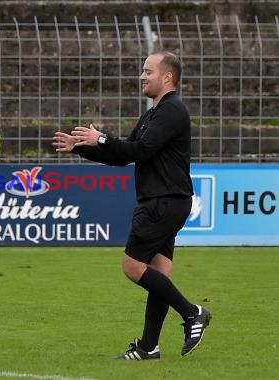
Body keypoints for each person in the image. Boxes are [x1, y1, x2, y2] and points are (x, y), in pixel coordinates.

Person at [53, 51, 211, 360]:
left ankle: (193, 313)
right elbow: (125, 154)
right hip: (167, 201)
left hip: (161, 202)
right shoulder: (155, 112)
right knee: (158, 276)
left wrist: (100, 138)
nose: (142, 76)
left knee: (133, 267)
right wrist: (81, 148)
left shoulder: (172, 110)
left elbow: (141, 149)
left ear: (167, 77)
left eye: (148, 71)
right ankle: (148, 347)